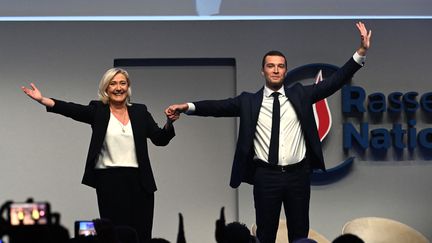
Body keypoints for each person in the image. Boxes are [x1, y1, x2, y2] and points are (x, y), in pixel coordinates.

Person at [165, 22, 371, 243]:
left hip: (298, 175)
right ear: (262, 70)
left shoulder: (301, 94)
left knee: (299, 234)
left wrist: (361, 52)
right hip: (265, 176)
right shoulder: (249, 101)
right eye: (270, 66)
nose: (275, 70)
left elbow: (334, 82)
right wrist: (188, 107)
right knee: (265, 235)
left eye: (280, 66)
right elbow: (217, 107)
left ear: (285, 70)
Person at [21, 68, 178, 243]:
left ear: (128, 87)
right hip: (109, 181)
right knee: (114, 234)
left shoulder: (140, 112)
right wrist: (43, 100)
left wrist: (169, 123)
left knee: (141, 234)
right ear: (106, 88)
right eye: (113, 83)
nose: (118, 88)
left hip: (140, 182)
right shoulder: (99, 110)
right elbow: (72, 109)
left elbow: (160, 139)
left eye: (122, 83)